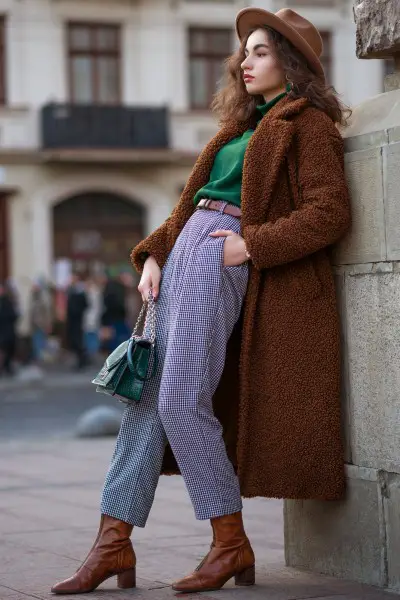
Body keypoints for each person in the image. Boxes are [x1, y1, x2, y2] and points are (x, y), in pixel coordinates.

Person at [51, 7, 351, 595]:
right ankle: (112, 543)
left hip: (223, 261)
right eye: (245, 52)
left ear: (292, 66)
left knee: (181, 399)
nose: (245, 60)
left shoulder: (306, 124)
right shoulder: (235, 131)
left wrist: (249, 247)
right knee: (145, 398)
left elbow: (329, 212)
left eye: (261, 52)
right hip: (183, 259)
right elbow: (187, 209)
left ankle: (230, 540)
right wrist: (154, 255)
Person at [65, 273, 89, 370]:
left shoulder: (79, 292)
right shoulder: (71, 291)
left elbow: (84, 305)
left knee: (78, 341)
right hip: (73, 320)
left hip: (78, 320)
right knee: (75, 341)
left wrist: (77, 311)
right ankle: (81, 361)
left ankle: (82, 361)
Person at [29, 278, 53, 362]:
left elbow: (46, 312)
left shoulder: (43, 297)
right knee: (36, 341)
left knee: (39, 341)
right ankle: (37, 357)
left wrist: (48, 324)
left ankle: (39, 357)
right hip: (34, 324)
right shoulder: (33, 296)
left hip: (41, 323)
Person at [0, 281, 18, 376]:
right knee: (4, 349)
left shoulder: (6, 301)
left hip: (6, 330)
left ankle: (7, 367)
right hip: (5, 330)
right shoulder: (7, 301)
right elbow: (13, 316)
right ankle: (5, 367)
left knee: (6, 349)